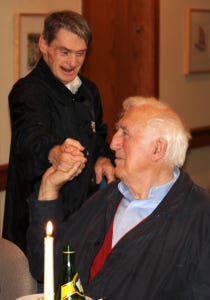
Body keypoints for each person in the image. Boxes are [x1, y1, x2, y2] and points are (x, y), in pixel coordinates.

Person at [27, 96, 210, 300]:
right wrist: (48, 189)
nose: (113, 143)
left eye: (125, 133)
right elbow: (47, 267)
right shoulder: (109, 196)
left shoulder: (200, 217)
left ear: (158, 149)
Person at [3, 10, 115, 254]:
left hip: (84, 222)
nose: (72, 62)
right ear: (44, 44)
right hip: (38, 223)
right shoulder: (27, 92)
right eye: (64, 52)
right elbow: (30, 139)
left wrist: (104, 157)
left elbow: (100, 137)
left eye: (80, 54)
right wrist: (55, 153)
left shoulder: (89, 91)